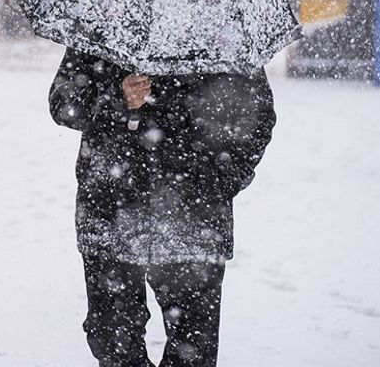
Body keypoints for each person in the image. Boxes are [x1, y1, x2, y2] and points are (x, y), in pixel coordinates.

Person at [49, 48, 276, 366]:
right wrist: (118, 96)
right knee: (114, 343)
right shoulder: (105, 22)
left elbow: (256, 118)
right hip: (112, 212)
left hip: (194, 219)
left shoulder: (220, 31)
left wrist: (218, 182)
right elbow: (63, 103)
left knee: (193, 348)